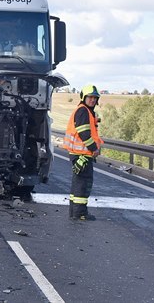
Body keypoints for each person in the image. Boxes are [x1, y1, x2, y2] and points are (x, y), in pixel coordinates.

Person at [63, 84, 104, 221]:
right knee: (83, 184)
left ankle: (74, 212)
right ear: (83, 98)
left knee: (78, 183)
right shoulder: (83, 111)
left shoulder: (86, 111)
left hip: (80, 154)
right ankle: (80, 213)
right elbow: (84, 133)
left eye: (95, 98)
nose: (92, 100)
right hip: (83, 154)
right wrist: (94, 148)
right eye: (90, 97)